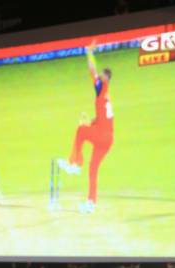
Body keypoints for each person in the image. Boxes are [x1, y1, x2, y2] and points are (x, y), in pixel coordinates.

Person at [58, 41, 114, 214]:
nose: (99, 78)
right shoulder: (107, 97)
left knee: (81, 131)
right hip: (108, 140)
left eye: (102, 76)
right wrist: (90, 122)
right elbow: (103, 120)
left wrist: (88, 52)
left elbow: (92, 70)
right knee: (93, 169)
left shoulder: (101, 88)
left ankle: (74, 163)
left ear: (105, 79)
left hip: (102, 136)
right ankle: (91, 203)